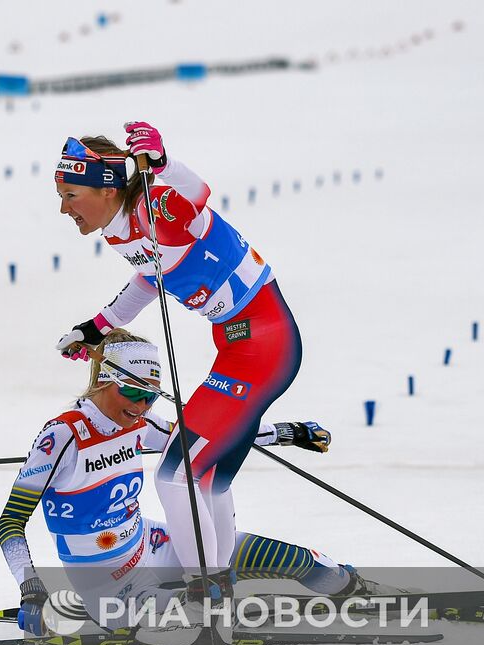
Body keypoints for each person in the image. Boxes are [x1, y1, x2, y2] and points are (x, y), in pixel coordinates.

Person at [52, 123, 330, 611]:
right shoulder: (121, 230)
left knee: (174, 476)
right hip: (244, 346)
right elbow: (150, 277)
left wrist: (164, 162)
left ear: (107, 187)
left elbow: (197, 196)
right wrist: (96, 328)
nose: (64, 209)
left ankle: (208, 591)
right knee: (208, 478)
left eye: (71, 195)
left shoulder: (154, 205)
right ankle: (218, 588)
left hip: (262, 345)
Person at [0, 331, 370, 637]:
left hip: (151, 544)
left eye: (150, 396)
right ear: (103, 381)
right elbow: (10, 523)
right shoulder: (63, 436)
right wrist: (31, 588)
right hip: (108, 585)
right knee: (207, 615)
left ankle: (351, 588)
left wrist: (288, 432)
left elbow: (210, 436)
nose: (141, 406)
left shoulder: (140, 424)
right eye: (133, 393)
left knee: (295, 560)